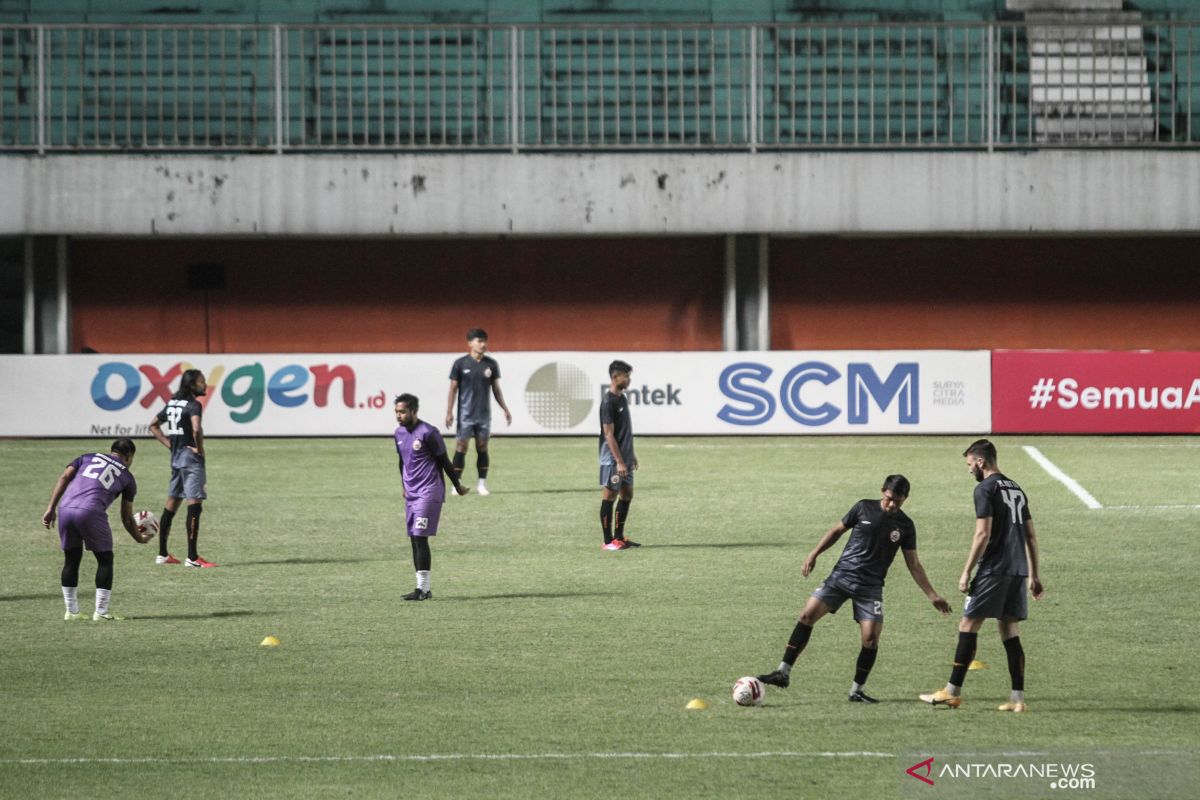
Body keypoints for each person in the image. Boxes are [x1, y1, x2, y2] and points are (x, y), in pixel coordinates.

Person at [757, 475, 952, 702]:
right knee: (806, 615)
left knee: (870, 638)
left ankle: (856, 691)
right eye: (889, 499)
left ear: (905, 499)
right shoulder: (863, 507)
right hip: (841, 577)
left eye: (898, 501)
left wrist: (932, 595)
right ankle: (783, 672)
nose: (892, 505)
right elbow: (836, 531)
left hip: (870, 587)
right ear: (882, 491)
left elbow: (914, 564)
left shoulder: (906, 526)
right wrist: (814, 553)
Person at [920, 439, 1044, 712]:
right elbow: (1031, 536)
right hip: (1018, 570)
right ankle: (1017, 698)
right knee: (1010, 632)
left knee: (968, 625)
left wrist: (966, 571)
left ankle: (951, 692)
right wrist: (1034, 575)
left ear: (980, 461)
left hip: (994, 569)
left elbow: (983, 534)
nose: (969, 470)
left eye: (969, 464)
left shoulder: (985, 489)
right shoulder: (1017, 489)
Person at [41, 438, 154, 621]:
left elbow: (64, 476)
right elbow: (126, 517)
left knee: (71, 559)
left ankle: (72, 611)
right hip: (90, 513)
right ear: (129, 456)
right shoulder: (127, 477)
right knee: (105, 560)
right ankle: (101, 612)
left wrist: (50, 508)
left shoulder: (86, 457)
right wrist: (140, 538)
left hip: (66, 509)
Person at [396, 393, 469, 600]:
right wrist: (404, 485)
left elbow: (445, 461)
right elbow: (402, 462)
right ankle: (422, 589)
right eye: (396, 412)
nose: (398, 416)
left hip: (429, 491)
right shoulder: (399, 433)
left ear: (413, 411)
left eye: (402, 412)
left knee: (420, 537)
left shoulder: (429, 432)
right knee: (414, 540)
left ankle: (423, 589)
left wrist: (458, 485)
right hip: (412, 493)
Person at [148, 368, 215, 568]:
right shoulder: (194, 405)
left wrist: (170, 444)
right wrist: (200, 449)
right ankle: (193, 558)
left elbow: (153, 425)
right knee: (194, 505)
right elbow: (196, 428)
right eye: (202, 381)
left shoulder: (173, 403)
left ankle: (162, 554)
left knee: (172, 503)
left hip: (176, 458)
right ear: (192, 384)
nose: (205, 385)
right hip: (190, 459)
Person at [445, 328, 512, 497]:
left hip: (483, 416)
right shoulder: (460, 364)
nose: (482, 344)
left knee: (482, 447)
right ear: (470, 343)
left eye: (484, 341)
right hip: (465, 415)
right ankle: (456, 483)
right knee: (461, 447)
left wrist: (505, 408)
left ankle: (481, 484)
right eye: (479, 341)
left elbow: (496, 389)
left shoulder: (491, 364)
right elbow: (453, 389)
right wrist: (449, 412)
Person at [598, 359, 641, 551]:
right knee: (609, 497)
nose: (629, 380)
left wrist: (630, 456)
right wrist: (619, 461)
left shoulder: (622, 399)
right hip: (613, 460)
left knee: (627, 495)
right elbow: (609, 434)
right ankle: (608, 542)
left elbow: (624, 431)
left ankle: (619, 537)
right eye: (626, 376)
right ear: (615, 377)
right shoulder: (608, 402)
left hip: (625, 458)